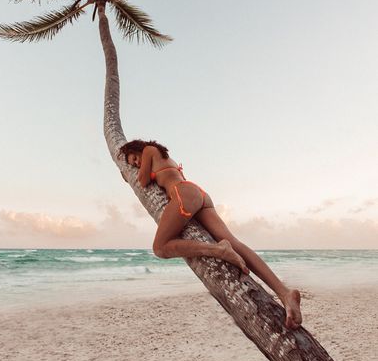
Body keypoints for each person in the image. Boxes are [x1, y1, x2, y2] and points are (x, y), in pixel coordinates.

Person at [118, 139, 302, 330]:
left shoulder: (148, 150)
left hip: (183, 194)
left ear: (136, 149)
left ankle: (218, 249)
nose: (136, 164)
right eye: (133, 164)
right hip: (199, 194)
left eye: (134, 159)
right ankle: (285, 293)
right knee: (235, 243)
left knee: (160, 248)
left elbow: (142, 180)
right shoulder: (164, 157)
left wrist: (126, 173)